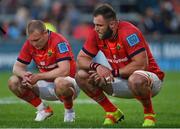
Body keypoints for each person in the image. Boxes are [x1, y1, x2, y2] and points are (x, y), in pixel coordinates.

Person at [75, 4, 164, 127]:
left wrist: (111, 73)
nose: (96, 28)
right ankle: (112, 112)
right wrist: (98, 67)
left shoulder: (129, 33)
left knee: (136, 79)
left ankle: (149, 115)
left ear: (112, 24)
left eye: (99, 25)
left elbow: (141, 65)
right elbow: (80, 59)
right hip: (121, 79)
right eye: (95, 24)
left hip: (149, 81)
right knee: (81, 75)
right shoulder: (96, 33)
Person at [8, 20, 80, 122]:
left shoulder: (59, 42)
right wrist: (24, 75)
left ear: (45, 33)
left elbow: (64, 71)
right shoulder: (30, 43)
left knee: (60, 82)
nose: (34, 44)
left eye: (37, 40)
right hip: (46, 84)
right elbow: (16, 68)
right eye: (31, 40)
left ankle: (69, 112)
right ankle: (43, 109)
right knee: (13, 81)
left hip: (68, 84)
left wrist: (38, 77)